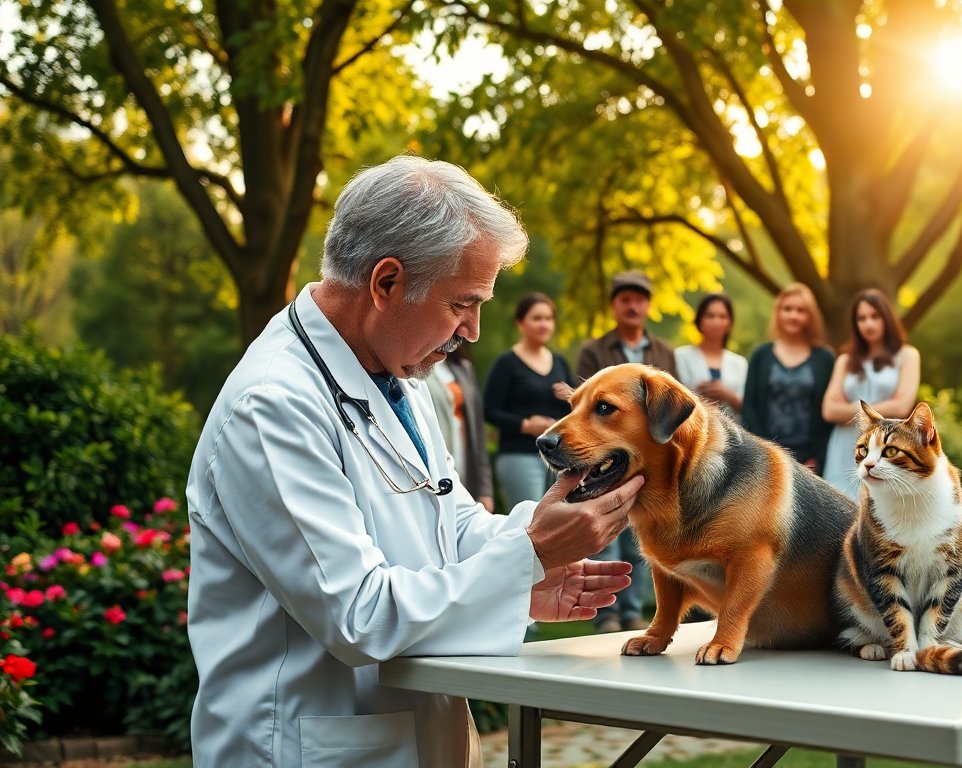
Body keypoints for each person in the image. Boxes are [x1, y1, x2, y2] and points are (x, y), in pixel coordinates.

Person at [185, 155, 644, 768]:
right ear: (386, 283)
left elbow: (449, 525)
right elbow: (359, 615)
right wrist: (529, 554)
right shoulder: (272, 406)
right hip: (308, 747)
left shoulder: (401, 379)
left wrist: (530, 568)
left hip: (410, 735)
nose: (474, 332)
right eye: (463, 304)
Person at [576, 269, 676, 633]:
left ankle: (634, 609)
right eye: (625, 299)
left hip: (651, 463)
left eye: (639, 299)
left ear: (648, 305)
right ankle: (607, 614)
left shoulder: (663, 352)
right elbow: (584, 410)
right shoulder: (594, 351)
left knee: (643, 536)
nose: (632, 306)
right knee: (608, 530)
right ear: (615, 306)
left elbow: (669, 412)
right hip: (608, 460)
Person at [820, 290, 921, 499]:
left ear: (886, 318)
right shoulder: (845, 360)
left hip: (887, 447)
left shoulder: (907, 355)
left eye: (874, 316)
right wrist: (883, 406)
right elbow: (829, 410)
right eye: (861, 318)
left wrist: (849, 410)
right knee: (839, 507)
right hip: (846, 444)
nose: (868, 324)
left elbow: (902, 406)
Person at [483, 292, 575, 512]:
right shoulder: (507, 363)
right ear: (520, 323)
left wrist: (573, 395)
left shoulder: (560, 362)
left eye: (548, 318)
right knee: (530, 520)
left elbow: (578, 411)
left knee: (561, 519)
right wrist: (526, 425)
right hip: (519, 455)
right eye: (537, 318)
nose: (544, 324)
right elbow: (488, 410)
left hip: (560, 457)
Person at [741, 283, 835, 472]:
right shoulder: (761, 354)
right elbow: (749, 406)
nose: (793, 315)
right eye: (787, 309)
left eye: (801, 310)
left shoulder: (824, 358)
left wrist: (818, 456)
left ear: (810, 316)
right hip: (766, 458)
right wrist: (764, 451)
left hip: (810, 463)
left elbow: (827, 418)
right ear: (778, 313)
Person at [428, 347, 494, 511]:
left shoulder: (462, 367)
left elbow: (478, 432)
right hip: (435, 455)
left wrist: (485, 489)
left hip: (464, 452)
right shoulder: (413, 367)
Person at [674, 293, 747, 420]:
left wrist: (728, 395)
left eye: (722, 316)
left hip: (732, 433)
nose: (716, 321)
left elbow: (749, 408)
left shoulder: (739, 363)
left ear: (730, 322)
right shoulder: (681, 356)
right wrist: (697, 395)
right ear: (699, 319)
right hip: (691, 429)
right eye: (710, 315)